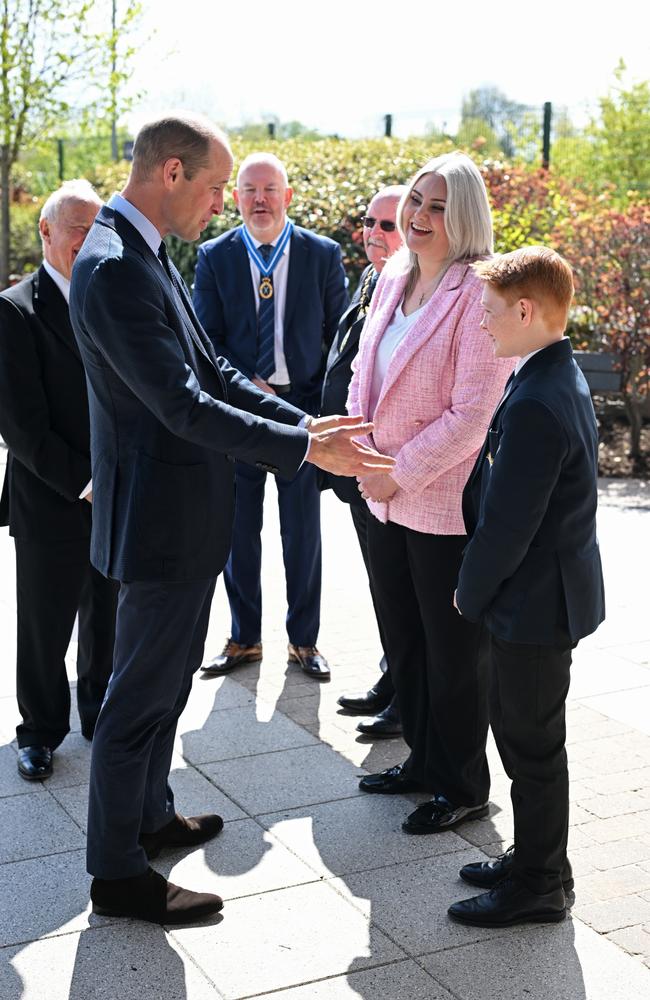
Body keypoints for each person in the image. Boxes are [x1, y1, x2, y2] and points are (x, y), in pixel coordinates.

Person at [69, 112, 393, 926]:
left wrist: (303, 426)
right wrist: (306, 452)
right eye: (216, 187)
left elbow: (212, 366)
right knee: (137, 698)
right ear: (171, 173)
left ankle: (150, 817)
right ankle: (117, 875)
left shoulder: (142, 251)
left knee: (167, 684)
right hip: (158, 523)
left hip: (180, 515)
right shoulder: (112, 266)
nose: (221, 204)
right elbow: (181, 406)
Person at [348, 152, 513, 833]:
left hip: (439, 499)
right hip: (379, 491)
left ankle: (463, 783)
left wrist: (400, 470)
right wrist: (358, 450)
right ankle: (421, 760)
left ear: (465, 216)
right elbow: (366, 366)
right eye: (416, 200)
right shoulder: (394, 273)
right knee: (405, 639)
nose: (418, 216)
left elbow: (473, 414)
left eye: (437, 206)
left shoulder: (479, 290)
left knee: (452, 653)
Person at [448, 246, 605, 927]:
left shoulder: (541, 397)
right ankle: (541, 860)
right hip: (538, 596)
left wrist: (468, 591)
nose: (483, 324)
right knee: (523, 737)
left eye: (488, 312)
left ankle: (541, 883)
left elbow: (510, 525)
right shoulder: (546, 374)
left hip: (535, 602)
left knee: (531, 745)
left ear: (525, 309)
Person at [194, 153, 347, 681]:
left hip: (301, 413)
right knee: (239, 530)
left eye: (270, 189)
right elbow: (205, 341)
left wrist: (320, 409)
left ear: (288, 196)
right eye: (249, 190)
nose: (260, 199)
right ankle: (244, 638)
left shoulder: (321, 254)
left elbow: (336, 341)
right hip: (240, 416)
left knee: (302, 532)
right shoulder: (215, 256)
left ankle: (304, 641)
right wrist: (244, 384)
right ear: (235, 197)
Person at [0, 180, 119, 782]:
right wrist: (86, 480)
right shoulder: (14, 309)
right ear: (45, 232)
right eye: (77, 227)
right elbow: (22, 428)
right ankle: (40, 731)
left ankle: (99, 713)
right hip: (50, 499)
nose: (88, 239)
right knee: (44, 626)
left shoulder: (112, 299)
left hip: (114, 494)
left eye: (97, 228)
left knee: (106, 614)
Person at [321, 185, 406, 738]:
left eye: (387, 224)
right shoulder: (374, 279)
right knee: (381, 582)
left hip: (392, 471)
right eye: (369, 223)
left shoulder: (412, 288)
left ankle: (406, 695)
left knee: (399, 584)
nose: (373, 234)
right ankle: (391, 674)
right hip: (358, 466)